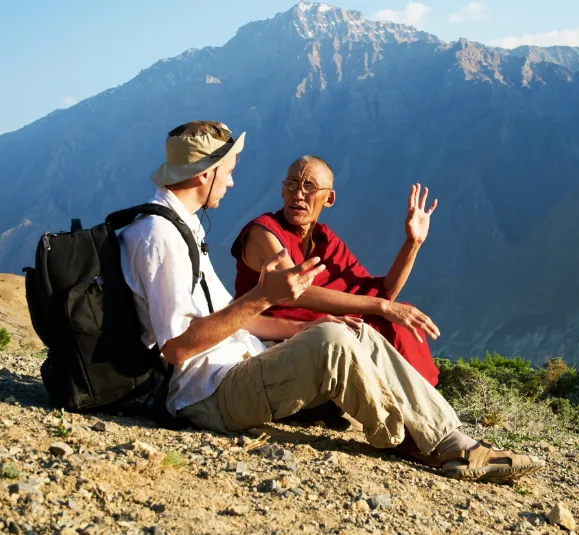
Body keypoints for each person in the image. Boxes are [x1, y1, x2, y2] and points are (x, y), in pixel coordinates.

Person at [119, 120, 543, 484]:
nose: (232, 180)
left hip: (235, 368)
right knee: (334, 341)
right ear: (203, 174)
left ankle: (455, 440)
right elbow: (176, 347)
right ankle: (421, 441)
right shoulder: (160, 238)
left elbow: (235, 321)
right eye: (227, 170)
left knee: (352, 334)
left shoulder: (183, 229)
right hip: (203, 396)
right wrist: (262, 298)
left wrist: (297, 326)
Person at [230, 155, 440, 387]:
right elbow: (295, 289)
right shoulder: (264, 232)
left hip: (322, 332)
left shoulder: (324, 240)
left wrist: (413, 243)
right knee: (383, 315)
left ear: (329, 198)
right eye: (290, 184)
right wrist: (383, 306)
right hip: (271, 338)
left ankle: (417, 398)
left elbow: (381, 292)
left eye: (309, 186)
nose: (297, 194)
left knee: (400, 320)